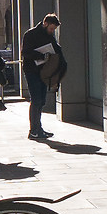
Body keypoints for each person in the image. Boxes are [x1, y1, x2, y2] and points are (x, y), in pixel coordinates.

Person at [21, 13, 66, 141]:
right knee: (36, 99)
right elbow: (25, 52)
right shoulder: (30, 34)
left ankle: (38, 128)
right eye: (51, 28)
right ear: (45, 24)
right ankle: (33, 130)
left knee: (41, 100)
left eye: (54, 29)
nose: (52, 31)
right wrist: (42, 55)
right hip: (32, 70)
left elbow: (57, 49)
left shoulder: (49, 36)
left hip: (44, 71)